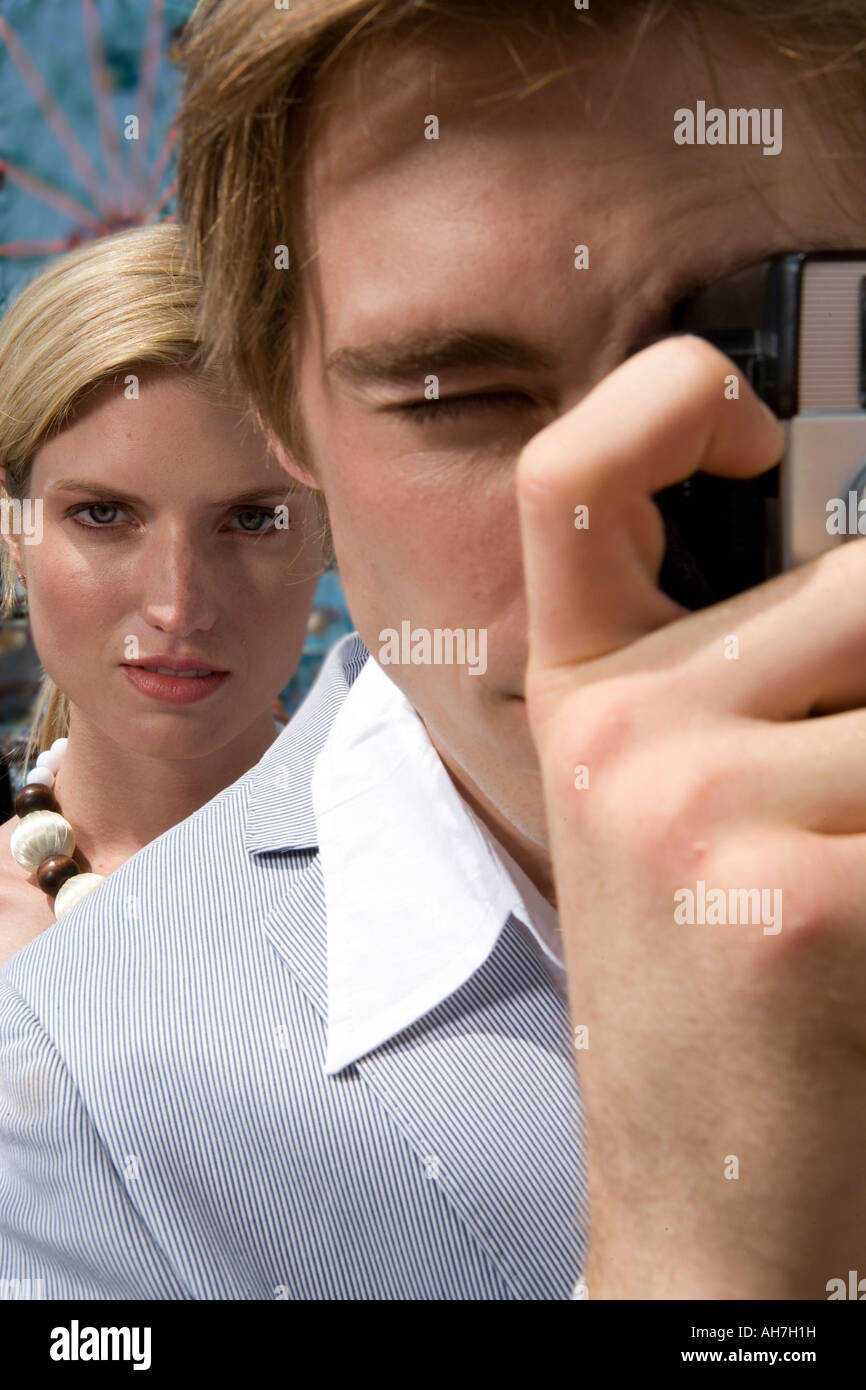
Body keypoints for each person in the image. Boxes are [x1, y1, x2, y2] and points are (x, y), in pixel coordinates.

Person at [1, 0, 864, 1300]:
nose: (596, 508)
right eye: (453, 401)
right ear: (279, 412)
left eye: (758, 345)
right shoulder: (72, 1091)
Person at [0, 224, 323, 967]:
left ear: (329, 528)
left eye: (250, 520)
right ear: (13, 526)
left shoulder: (441, 897)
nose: (178, 607)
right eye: (105, 515)